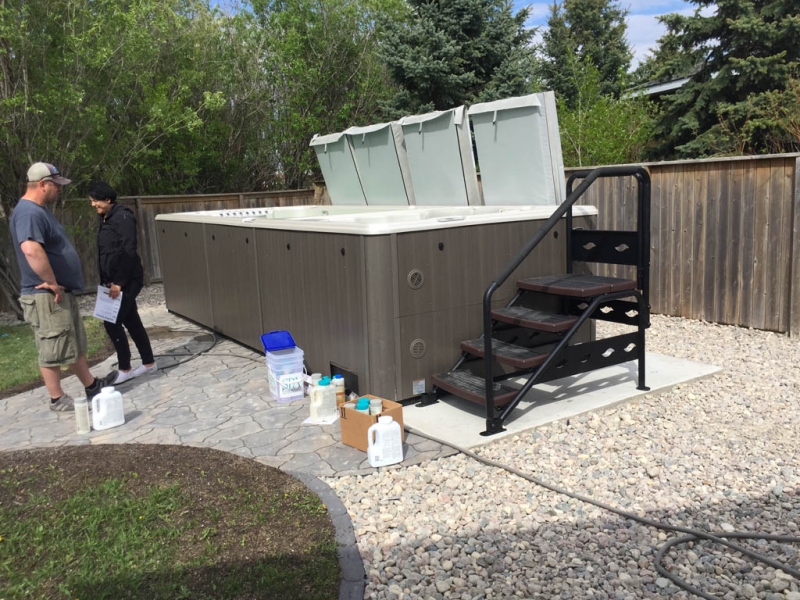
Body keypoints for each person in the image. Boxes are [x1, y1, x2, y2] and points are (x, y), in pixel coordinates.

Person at [10, 162, 114, 411]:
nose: (59, 189)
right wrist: (53, 283)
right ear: (43, 184)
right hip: (45, 295)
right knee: (52, 346)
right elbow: (31, 249)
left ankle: (91, 386)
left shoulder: (39, 210)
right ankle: (57, 399)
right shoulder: (28, 213)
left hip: (57, 293)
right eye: (56, 185)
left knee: (72, 342)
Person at [88, 180, 157, 385]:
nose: (93, 205)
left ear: (108, 199)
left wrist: (119, 282)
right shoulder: (105, 218)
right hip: (112, 281)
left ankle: (125, 368)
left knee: (111, 321)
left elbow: (128, 251)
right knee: (131, 320)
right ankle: (149, 363)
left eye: (95, 201)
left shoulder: (123, 217)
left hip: (127, 280)